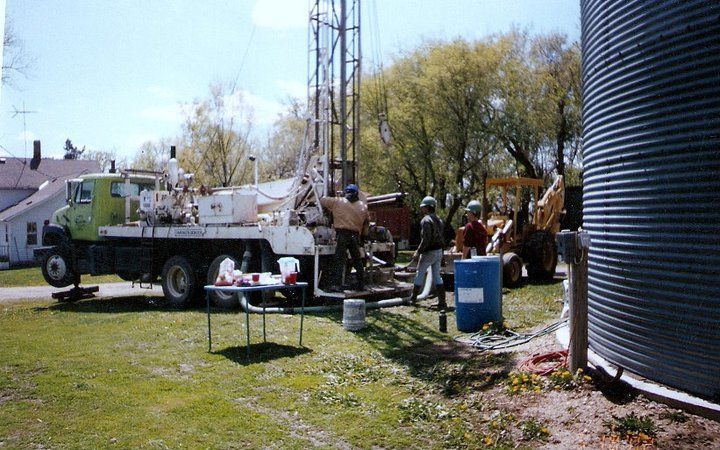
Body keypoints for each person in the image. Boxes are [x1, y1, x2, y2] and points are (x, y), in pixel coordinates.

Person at [320, 184, 370, 291]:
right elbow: (366, 224)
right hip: (355, 235)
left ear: (345, 192)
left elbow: (322, 200)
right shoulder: (363, 206)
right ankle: (361, 284)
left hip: (342, 234)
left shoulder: (338, 201)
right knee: (357, 260)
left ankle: (336, 285)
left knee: (339, 259)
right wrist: (363, 238)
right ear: (357, 194)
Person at [409, 196, 446, 308]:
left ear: (427, 207)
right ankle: (442, 302)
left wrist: (418, 252)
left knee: (419, 273)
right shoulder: (439, 220)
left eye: (423, 207)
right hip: (438, 251)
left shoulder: (426, 220)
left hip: (429, 252)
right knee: (437, 276)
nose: (422, 209)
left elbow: (426, 239)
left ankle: (413, 299)